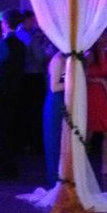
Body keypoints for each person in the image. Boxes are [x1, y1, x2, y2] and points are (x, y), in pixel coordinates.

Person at [0, 8, 26, 180]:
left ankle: (6, 167)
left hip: (1, 89)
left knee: (1, 129)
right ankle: (11, 166)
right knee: (10, 128)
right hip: (15, 89)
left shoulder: (3, 44)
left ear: (6, 23)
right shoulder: (21, 44)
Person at [86, 30, 107, 176]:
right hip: (92, 94)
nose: (106, 39)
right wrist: (100, 81)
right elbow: (82, 77)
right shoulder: (90, 55)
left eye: (106, 36)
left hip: (102, 96)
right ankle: (81, 163)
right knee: (89, 131)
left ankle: (106, 165)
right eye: (102, 36)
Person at [16, 9, 48, 155]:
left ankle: (26, 143)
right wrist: (49, 52)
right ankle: (36, 144)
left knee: (26, 111)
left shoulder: (18, 34)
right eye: (33, 20)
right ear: (26, 20)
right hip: (33, 77)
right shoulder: (28, 37)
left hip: (22, 77)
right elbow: (40, 57)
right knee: (35, 111)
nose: (34, 23)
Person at [42, 50, 66, 188]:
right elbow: (54, 86)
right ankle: (56, 182)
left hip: (64, 101)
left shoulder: (67, 59)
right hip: (56, 103)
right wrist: (73, 81)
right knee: (55, 142)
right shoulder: (58, 60)